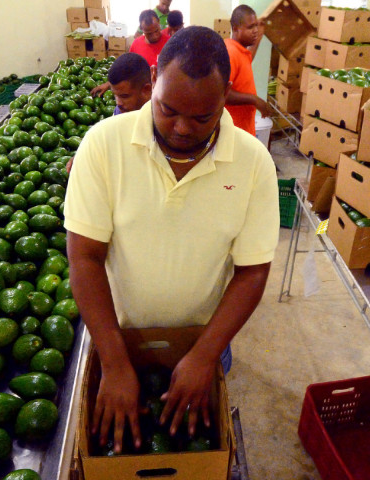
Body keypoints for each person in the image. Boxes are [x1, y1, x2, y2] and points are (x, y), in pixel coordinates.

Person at [65, 26, 279, 454]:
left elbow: (253, 272)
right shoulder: (103, 145)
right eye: (168, 109)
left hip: (206, 339)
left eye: (203, 117)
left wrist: (204, 356)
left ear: (226, 97)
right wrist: (114, 362)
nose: (182, 128)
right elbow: (85, 258)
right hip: (118, 337)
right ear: (154, 78)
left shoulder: (254, 162)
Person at [65, 53, 152, 174]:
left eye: (124, 96)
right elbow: (111, 134)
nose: (118, 103)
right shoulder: (121, 111)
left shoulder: (161, 120)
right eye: (115, 95)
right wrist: (84, 155)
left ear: (146, 90)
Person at [91, 10, 169, 98]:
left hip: (165, 94)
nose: (155, 36)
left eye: (157, 30)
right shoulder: (136, 45)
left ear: (159, 22)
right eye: (149, 33)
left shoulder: (170, 43)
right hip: (144, 95)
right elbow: (128, 70)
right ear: (141, 29)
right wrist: (110, 84)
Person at [224, 5, 272, 136]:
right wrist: (255, 100)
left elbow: (248, 58)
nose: (255, 30)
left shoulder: (240, 50)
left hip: (243, 129)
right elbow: (223, 93)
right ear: (235, 29)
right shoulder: (231, 52)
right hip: (234, 131)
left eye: (256, 26)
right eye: (250, 27)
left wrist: (260, 35)